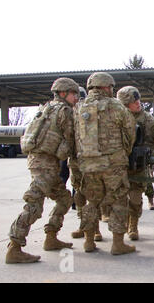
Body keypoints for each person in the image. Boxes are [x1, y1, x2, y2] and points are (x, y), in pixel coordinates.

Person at [6, 78, 79, 264]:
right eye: (73, 93)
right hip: (45, 163)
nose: (76, 97)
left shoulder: (45, 108)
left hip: (41, 162)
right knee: (34, 205)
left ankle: (51, 237)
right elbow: (71, 141)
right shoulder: (65, 111)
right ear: (63, 93)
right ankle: (14, 247)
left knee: (64, 198)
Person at [74, 72, 136, 255]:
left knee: (92, 201)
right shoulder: (116, 106)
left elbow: (74, 136)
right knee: (118, 200)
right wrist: (124, 151)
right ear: (107, 87)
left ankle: (88, 241)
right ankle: (118, 244)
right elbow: (130, 131)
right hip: (113, 164)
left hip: (88, 164)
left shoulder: (79, 107)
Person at [117, 86, 154, 241]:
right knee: (119, 199)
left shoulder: (147, 119)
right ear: (125, 104)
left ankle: (133, 224)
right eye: (133, 101)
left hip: (138, 165)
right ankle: (122, 225)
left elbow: (151, 142)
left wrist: (144, 154)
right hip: (119, 165)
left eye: (138, 99)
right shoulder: (117, 117)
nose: (138, 103)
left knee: (135, 198)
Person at [70, 87, 102, 242]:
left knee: (92, 196)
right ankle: (83, 226)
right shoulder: (70, 114)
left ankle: (94, 229)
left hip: (90, 161)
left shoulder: (92, 112)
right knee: (79, 195)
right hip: (76, 162)